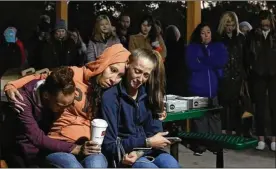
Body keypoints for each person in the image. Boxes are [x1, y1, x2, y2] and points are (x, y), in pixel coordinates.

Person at [4, 44, 130, 167]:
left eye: (120, 76)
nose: (114, 79)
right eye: (112, 70)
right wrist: (12, 85)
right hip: (61, 138)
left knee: (96, 166)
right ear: (104, 63)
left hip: (90, 144)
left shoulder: (111, 93)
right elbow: (42, 77)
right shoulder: (75, 74)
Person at [3, 67, 107, 168]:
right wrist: (75, 148)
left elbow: (42, 75)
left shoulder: (53, 85)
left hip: (51, 147)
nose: (64, 110)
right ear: (46, 96)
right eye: (61, 105)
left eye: (69, 104)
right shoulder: (22, 102)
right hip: (25, 154)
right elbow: (37, 138)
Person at [101, 48, 180, 168]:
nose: (140, 79)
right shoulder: (111, 97)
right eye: (137, 71)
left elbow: (155, 134)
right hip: (124, 155)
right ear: (128, 64)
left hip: (147, 151)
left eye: (146, 75)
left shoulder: (148, 95)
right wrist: (146, 142)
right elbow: (109, 145)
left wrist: (141, 151)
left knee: (172, 164)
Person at [186, 22, 228, 156]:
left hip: (214, 89)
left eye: (208, 32)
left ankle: (215, 145)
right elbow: (192, 64)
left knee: (215, 117)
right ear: (199, 35)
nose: (206, 35)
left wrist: (204, 59)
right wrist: (209, 61)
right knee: (200, 118)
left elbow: (220, 61)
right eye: (203, 33)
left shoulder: (218, 46)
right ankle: (200, 145)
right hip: (198, 89)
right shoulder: (192, 48)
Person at [245, 10, 276, 151]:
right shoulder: (252, 35)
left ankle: (274, 139)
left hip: (274, 75)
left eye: (268, 20)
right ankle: (261, 138)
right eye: (263, 20)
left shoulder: (274, 34)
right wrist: (251, 69)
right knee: (260, 107)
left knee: (274, 107)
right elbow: (246, 55)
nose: (265, 23)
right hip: (258, 75)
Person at [217, 11, 246, 136]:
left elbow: (244, 58)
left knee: (236, 105)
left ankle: (235, 130)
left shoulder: (241, 38)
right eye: (228, 24)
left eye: (233, 24)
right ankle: (223, 130)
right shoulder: (218, 38)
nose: (230, 27)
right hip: (223, 76)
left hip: (237, 76)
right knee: (223, 105)